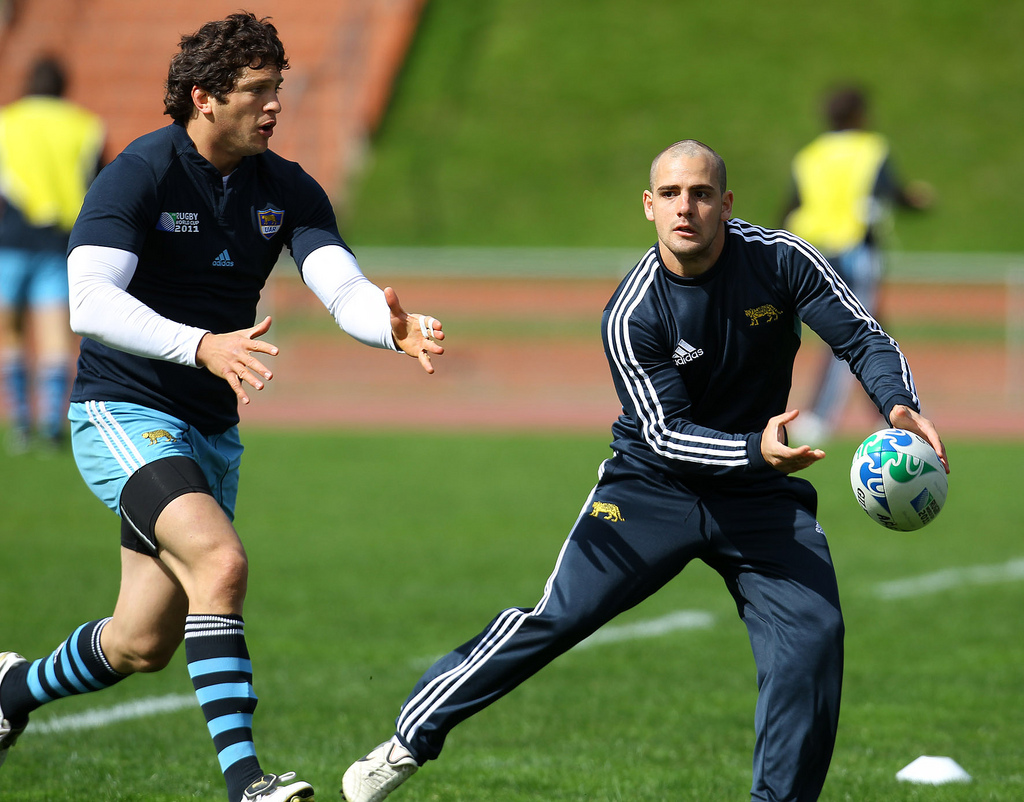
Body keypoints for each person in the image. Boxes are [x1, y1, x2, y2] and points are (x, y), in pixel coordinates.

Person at [338, 140, 948, 802]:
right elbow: (665, 433)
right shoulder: (633, 311)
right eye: (672, 194)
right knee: (557, 617)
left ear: (726, 203)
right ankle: (408, 740)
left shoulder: (780, 259)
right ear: (649, 206)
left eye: (702, 194)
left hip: (757, 493)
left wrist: (898, 404)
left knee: (813, 637)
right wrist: (755, 450)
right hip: (652, 488)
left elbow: (862, 336)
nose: (687, 207)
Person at [0, 13, 444, 802]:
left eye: (277, 88)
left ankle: (10, 690)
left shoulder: (286, 186)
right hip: (122, 411)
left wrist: (390, 327)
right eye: (257, 91)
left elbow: (339, 284)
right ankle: (247, 783)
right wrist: (200, 345)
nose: (275, 106)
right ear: (204, 98)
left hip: (208, 430)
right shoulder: (140, 172)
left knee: (140, 644)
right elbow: (87, 300)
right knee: (221, 562)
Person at [782, 85, 934, 441]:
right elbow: (890, 191)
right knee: (854, 333)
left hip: (814, 253)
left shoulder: (809, 156)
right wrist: (916, 200)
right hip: (855, 252)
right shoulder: (870, 149)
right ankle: (820, 417)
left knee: (874, 332)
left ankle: (891, 409)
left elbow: (791, 206)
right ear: (859, 114)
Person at [0, 56, 105, 453]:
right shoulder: (86, 125)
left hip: (9, 240)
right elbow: (99, 185)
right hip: (60, 243)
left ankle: (20, 423)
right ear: (64, 86)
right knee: (55, 336)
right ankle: (50, 426)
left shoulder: (6, 121)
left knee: (10, 333)